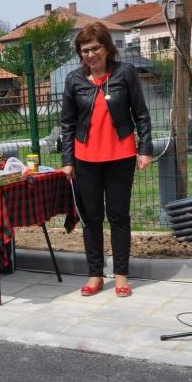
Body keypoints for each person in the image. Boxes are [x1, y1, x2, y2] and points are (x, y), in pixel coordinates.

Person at [60, 21, 153, 298]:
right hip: (85, 159)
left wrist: (144, 149)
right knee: (91, 219)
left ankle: (121, 276)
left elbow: (142, 114)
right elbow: (67, 124)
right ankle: (95, 275)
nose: (91, 54)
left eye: (96, 48)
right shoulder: (74, 80)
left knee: (118, 216)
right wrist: (68, 160)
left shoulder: (125, 73)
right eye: (85, 50)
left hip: (120, 156)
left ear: (107, 48)